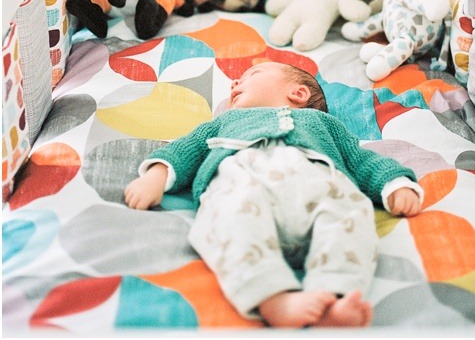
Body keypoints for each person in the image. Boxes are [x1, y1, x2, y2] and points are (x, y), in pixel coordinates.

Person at [124, 61, 423, 328]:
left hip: (318, 184)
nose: (234, 84)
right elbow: (185, 150)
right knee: (229, 216)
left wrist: (394, 183)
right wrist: (156, 176)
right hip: (243, 182)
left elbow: (361, 160)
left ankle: (332, 296)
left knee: (350, 212)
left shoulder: (324, 124)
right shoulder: (223, 123)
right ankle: (272, 297)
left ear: (298, 94)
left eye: (251, 74)